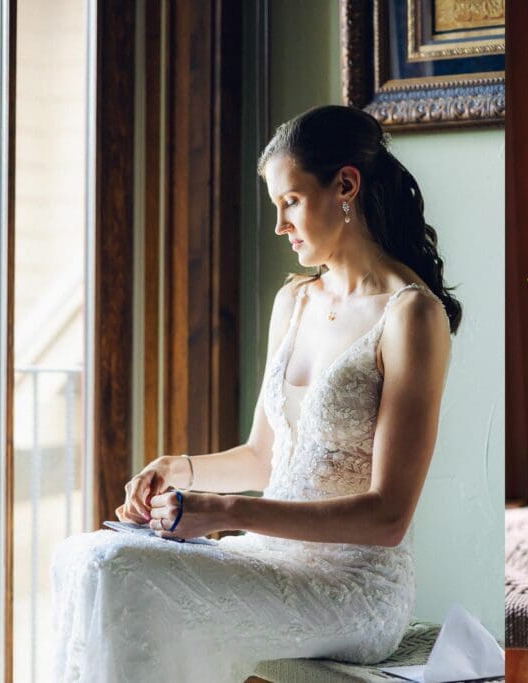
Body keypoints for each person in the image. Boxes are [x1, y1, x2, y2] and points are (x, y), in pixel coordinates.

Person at [51, 104, 462, 682]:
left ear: (345, 185)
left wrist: (223, 512)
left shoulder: (412, 315)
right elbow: (263, 458)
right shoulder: (293, 301)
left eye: (289, 202)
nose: (279, 226)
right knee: (82, 555)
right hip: (268, 560)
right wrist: (178, 471)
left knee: (118, 566)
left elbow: (389, 517)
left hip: (353, 590)